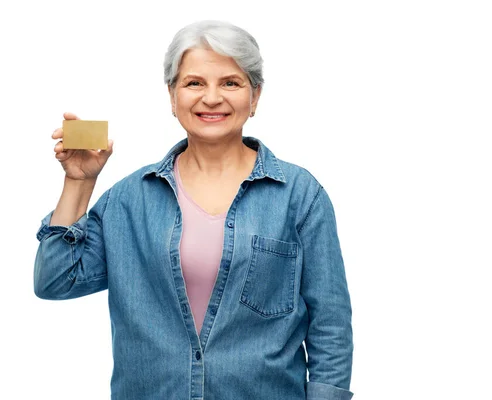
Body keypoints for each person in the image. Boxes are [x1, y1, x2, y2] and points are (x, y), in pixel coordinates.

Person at [34, 20, 353, 400]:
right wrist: (79, 182)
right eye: (194, 83)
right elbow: (55, 281)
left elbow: (330, 325)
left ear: (256, 96)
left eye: (230, 83)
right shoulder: (129, 200)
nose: (212, 98)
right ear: (172, 96)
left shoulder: (300, 196)